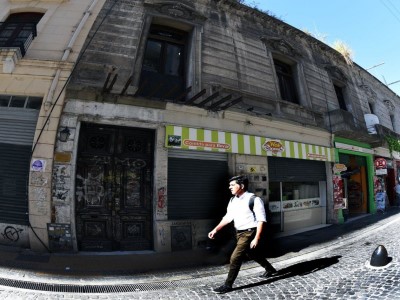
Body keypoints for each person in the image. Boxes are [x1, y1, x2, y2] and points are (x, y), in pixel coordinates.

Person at [208, 175, 277, 294]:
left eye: (232, 185)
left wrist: (256, 238)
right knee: (252, 253)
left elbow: (261, 220)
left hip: (249, 232)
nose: (230, 187)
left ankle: (227, 285)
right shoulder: (232, 200)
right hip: (238, 232)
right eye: (229, 185)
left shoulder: (254, 199)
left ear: (242, 186)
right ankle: (270, 269)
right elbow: (228, 217)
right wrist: (215, 229)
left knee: (235, 257)